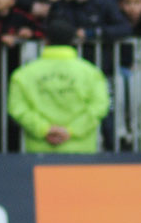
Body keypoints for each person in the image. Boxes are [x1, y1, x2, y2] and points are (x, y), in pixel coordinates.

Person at [8, 19, 110, 153]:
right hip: (82, 151)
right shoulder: (91, 72)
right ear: (74, 41)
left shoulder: (23, 74)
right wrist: (71, 130)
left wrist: (44, 129)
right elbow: (99, 107)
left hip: (39, 153)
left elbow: (17, 108)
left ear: (46, 41)